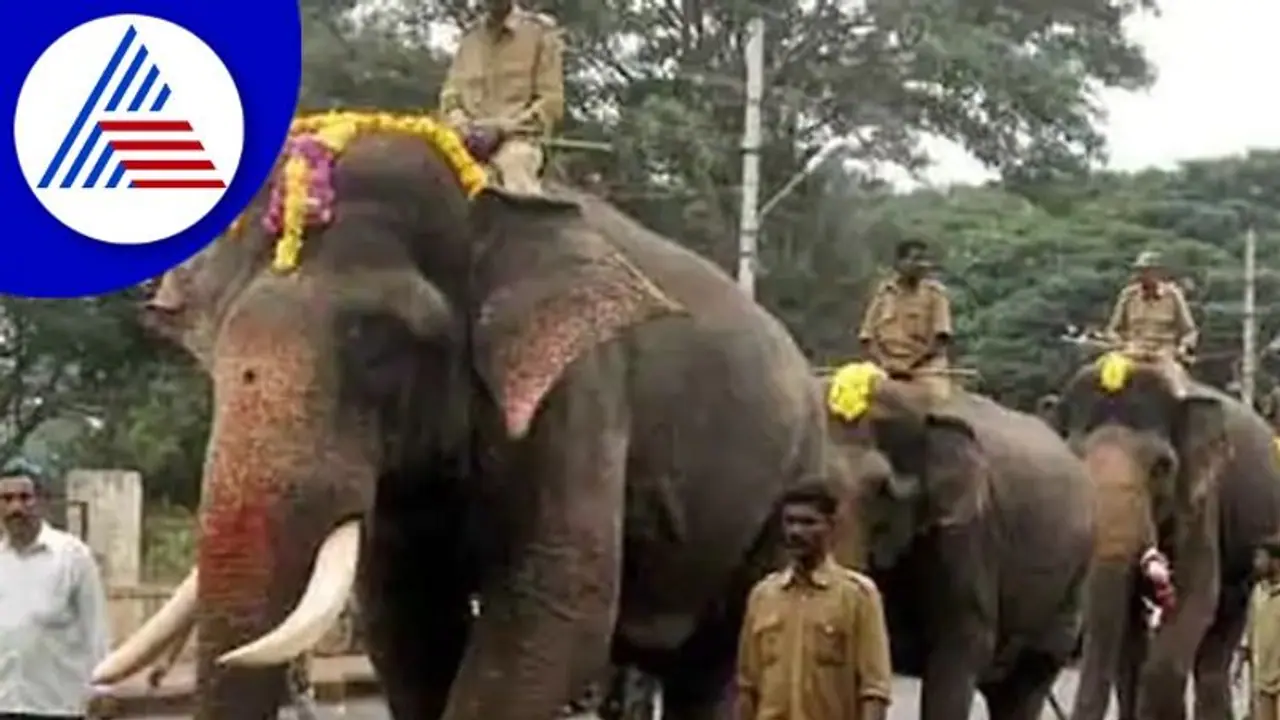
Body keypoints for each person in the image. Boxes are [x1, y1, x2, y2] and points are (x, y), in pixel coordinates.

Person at [735, 480, 892, 720]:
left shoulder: (858, 596)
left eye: (808, 522)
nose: (796, 531)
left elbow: (874, 690)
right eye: (790, 522)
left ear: (831, 527)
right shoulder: (763, 596)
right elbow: (748, 687)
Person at [0, 461, 111, 720]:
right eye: (6, 499)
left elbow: (96, 629)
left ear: (42, 502)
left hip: (57, 706)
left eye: (25, 498)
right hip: (5, 703)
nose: (16, 508)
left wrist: (102, 688)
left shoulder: (73, 556)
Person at [439, 0, 565, 195]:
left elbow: (550, 102)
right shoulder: (470, 38)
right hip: (464, 140)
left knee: (515, 178)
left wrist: (501, 129)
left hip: (515, 143)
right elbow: (450, 95)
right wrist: (461, 123)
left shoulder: (539, 33)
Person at [857, 238, 953, 400]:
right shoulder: (883, 293)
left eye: (925, 260)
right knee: (853, 396)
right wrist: (885, 362)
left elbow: (940, 339)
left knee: (935, 401)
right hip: (884, 365)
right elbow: (867, 338)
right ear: (899, 263)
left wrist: (909, 365)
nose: (922, 265)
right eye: (915, 259)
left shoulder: (935, 294)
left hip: (924, 368)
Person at [1102, 250, 1199, 388]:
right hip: (1132, 351)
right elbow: (1112, 330)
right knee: (1107, 378)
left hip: (1163, 353)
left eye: (1148, 271)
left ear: (1158, 273)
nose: (1143, 275)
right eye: (1141, 271)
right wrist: (1119, 343)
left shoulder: (1173, 295)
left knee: (1176, 385)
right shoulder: (1128, 295)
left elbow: (1190, 331)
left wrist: (1183, 347)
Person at [1247, 536, 1280, 720]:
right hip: (1261, 681)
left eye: (1261, 558)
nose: (1256, 563)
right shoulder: (1258, 592)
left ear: (1275, 562)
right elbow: (1252, 629)